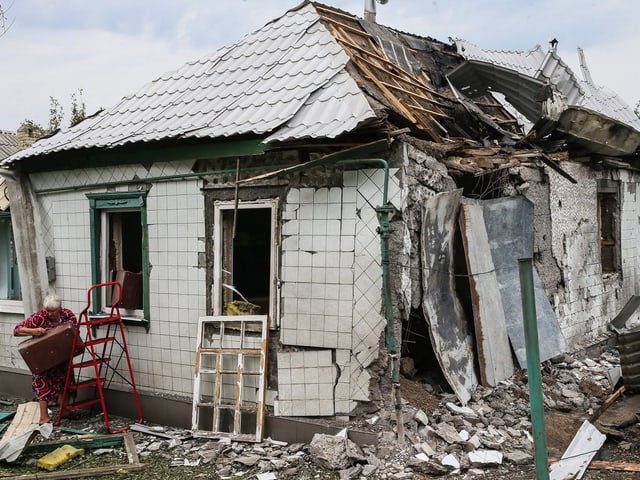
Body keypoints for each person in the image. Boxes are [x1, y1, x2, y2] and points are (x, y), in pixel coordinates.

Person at [14, 294, 77, 424]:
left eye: (52, 311)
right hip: (43, 359)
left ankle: (64, 410)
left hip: (62, 355)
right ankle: (44, 417)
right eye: (47, 310)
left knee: (65, 381)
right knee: (42, 384)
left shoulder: (68, 315)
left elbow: (74, 333)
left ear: (60, 308)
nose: (49, 314)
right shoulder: (39, 317)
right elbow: (17, 330)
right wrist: (34, 331)